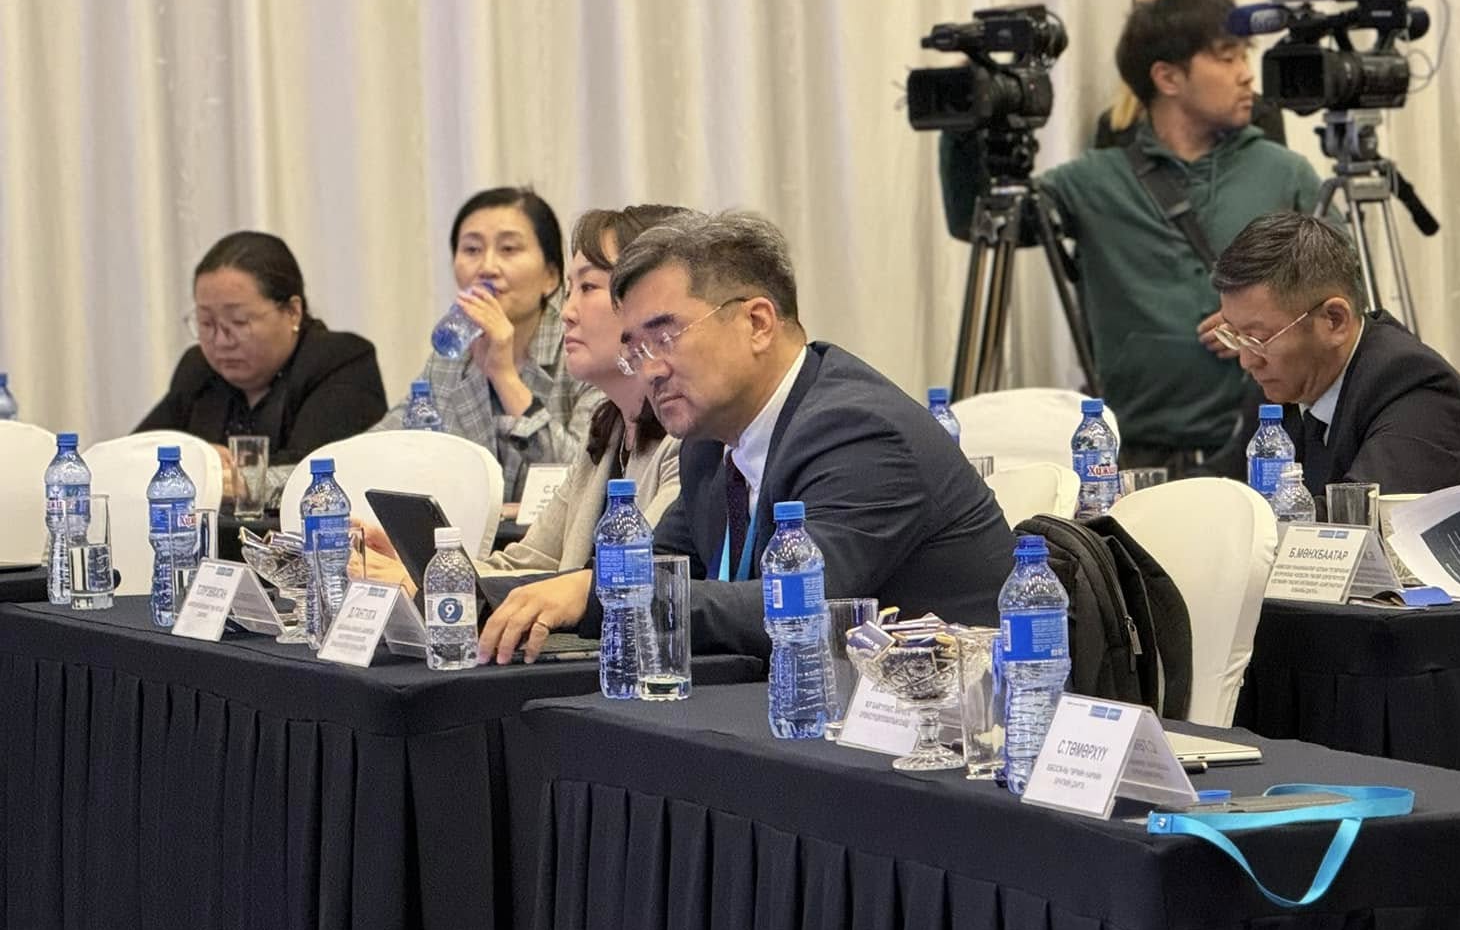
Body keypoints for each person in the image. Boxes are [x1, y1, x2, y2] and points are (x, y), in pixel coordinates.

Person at [477, 210, 1014, 663]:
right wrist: (479, 594)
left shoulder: (860, 432)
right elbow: (658, 570)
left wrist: (595, 594)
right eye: (636, 350)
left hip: (949, 719)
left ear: (757, 323)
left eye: (665, 336)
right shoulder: (710, 443)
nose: (650, 370)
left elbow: (799, 605)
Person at [941, 0, 1321, 472]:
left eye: (1244, 57)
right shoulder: (1091, 182)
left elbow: (1340, 301)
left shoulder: (1285, 173)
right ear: (1168, 77)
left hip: (1267, 452)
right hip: (1133, 460)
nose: (1247, 73)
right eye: (1228, 58)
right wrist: (964, 121)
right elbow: (978, 222)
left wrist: (1263, 321)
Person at [1209, 210, 1460, 495]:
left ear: (1334, 320)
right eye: (1234, 335)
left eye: (1257, 337)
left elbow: (1358, 521)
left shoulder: (1413, 386)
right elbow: (1224, 483)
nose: (1247, 360)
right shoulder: (1281, 378)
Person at [376, 185, 599, 501]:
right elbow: (385, 443)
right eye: (471, 250)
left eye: (508, 249)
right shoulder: (452, 356)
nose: (487, 268)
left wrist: (505, 377)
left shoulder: (582, 348)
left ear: (550, 277)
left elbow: (585, 477)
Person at [137, 230, 384, 468]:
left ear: (293, 312)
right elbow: (136, 455)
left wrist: (213, 472)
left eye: (239, 321)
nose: (221, 341)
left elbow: (310, 471)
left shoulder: (339, 362)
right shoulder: (198, 370)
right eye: (206, 323)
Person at [1092, 0, 1287, 150]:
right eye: (1141, 11)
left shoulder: (1258, 117)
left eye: (1169, 7)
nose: (1151, 22)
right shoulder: (1116, 124)